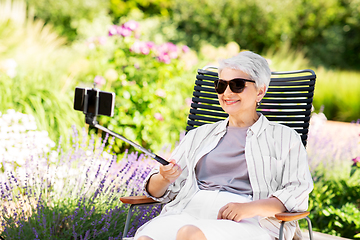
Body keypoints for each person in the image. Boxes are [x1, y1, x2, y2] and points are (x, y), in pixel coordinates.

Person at [134, 51, 313, 240]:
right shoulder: (199, 135)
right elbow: (160, 191)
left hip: (249, 220)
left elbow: (297, 192)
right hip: (186, 211)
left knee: (189, 234)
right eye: (221, 85)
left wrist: (249, 208)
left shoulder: (285, 138)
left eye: (237, 85)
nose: (227, 93)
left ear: (260, 91)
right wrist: (163, 178)